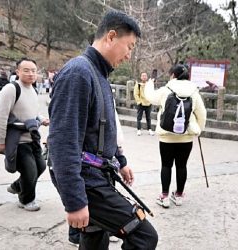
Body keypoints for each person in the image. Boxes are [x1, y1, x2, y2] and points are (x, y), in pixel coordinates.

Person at [48, 10, 158, 249]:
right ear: (110, 37)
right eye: (129, 47)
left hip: (99, 174)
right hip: (87, 179)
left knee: (96, 237)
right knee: (144, 236)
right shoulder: (78, 72)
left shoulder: (99, 76)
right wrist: (75, 202)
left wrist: (121, 159)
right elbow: (63, 142)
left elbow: (105, 130)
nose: (129, 56)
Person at [144, 64, 207, 208]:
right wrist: (198, 129)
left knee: (166, 165)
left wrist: (150, 83)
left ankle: (164, 196)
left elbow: (150, 97)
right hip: (186, 136)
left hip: (166, 136)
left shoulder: (166, 90)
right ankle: (179, 195)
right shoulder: (194, 92)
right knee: (181, 165)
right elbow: (202, 114)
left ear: (173, 75)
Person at [0, 58, 49, 211]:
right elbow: (0, 116)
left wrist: (42, 119)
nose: (31, 74)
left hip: (32, 137)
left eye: (33, 71)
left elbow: (33, 111)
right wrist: (1, 141)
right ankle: (26, 200)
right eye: (26, 70)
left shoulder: (33, 89)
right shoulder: (11, 89)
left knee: (41, 166)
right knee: (30, 171)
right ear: (17, 72)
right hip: (18, 140)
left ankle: (17, 185)